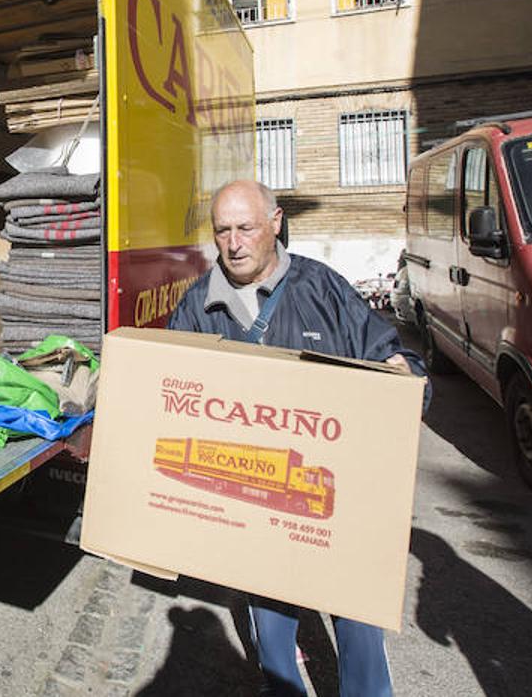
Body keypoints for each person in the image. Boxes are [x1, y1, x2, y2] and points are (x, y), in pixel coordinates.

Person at [167, 179, 428, 697]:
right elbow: (171, 396)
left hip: (335, 499)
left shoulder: (324, 289)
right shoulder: (196, 307)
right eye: (223, 231)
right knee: (270, 617)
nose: (235, 243)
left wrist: (407, 375)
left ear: (276, 222)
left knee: (357, 616)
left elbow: (393, 363)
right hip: (257, 501)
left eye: (246, 228)